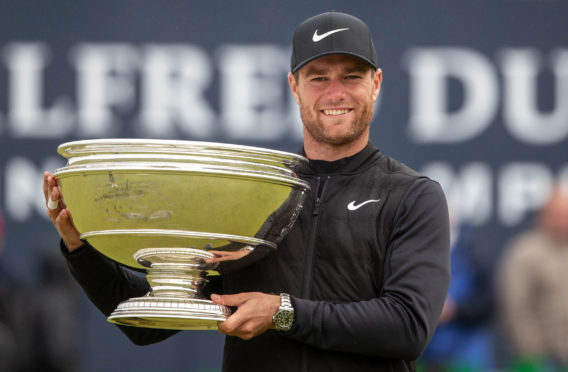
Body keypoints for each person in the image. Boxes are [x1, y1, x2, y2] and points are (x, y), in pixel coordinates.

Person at [43, 11, 450, 372]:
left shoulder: (412, 196)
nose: (335, 92)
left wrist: (283, 312)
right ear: (294, 86)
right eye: (318, 77)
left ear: (376, 83)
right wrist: (80, 248)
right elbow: (152, 323)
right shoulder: (256, 196)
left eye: (351, 76)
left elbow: (407, 327)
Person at [498, 184, 568, 369]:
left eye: (565, 216)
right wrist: (534, 350)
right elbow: (516, 306)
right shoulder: (525, 253)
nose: (562, 221)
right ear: (543, 216)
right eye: (557, 215)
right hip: (540, 358)